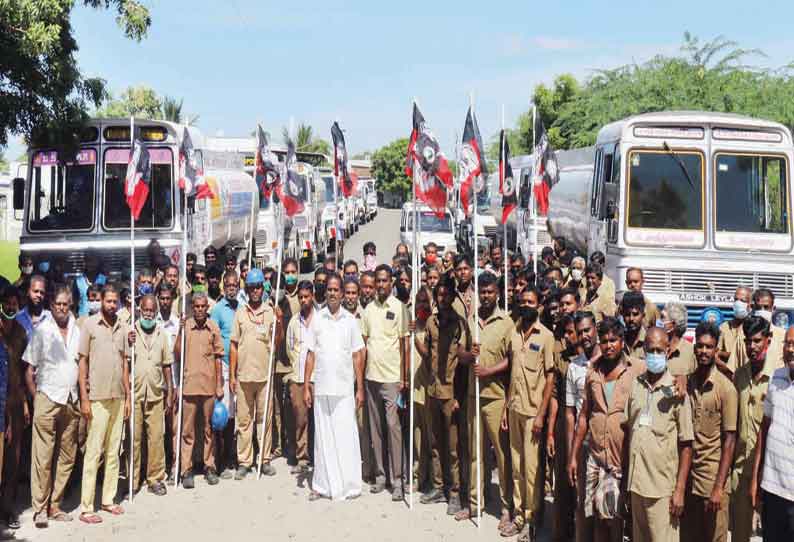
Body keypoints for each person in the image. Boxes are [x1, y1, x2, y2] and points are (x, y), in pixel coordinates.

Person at [568, 317, 644, 542]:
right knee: (598, 518)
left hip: (622, 459)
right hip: (596, 458)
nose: (609, 345)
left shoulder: (637, 370)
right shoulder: (593, 373)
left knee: (618, 520)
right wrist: (573, 456)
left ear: (622, 341)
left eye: (614, 340)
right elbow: (583, 416)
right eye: (605, 340)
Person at [455, 272, 513, 530]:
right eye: (484, 292)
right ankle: (475, 502)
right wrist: (469, 355)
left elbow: (513, 359)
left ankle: (506, 507)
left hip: (496, 397)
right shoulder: (470, 319)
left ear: (498, 293)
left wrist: (490, 371)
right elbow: (459, 352)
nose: (487, 296)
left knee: (501, 456)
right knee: (475, 452)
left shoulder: (506, 322)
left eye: (491, 292)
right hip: (473, 394)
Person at [625, 326, 694, 542]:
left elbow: (686, 445)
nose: (655, 355)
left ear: (667, 351)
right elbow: (629, 430)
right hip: (636, 486)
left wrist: (680, 490)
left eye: (659, 350)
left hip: (662, 490)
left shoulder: (676, 391)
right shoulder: (636, 385)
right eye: (650, 350)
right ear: (643, 350)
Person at [303, 273, 366, 501]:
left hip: (344, 389)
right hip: (322, 388)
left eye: (336, 290)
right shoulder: (317, 319)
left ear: (342, 293)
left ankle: (349, 485)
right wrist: (306, 386)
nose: (332, 293)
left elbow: (358, 355)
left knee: (345, 436)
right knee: (323, 439)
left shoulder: (350, 321)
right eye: (329, 289)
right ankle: (321, 485)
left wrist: (359, 388)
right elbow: (310, 354)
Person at [501, 286, 555, 541]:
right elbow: (510, 373)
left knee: (532, 469)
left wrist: (542, 415)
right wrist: (505, 408)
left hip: (534, 412)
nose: (526, 305)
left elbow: (550, 378)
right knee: (516, 466)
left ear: (539, 304)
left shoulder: (546, 337)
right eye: (523, 301)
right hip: (514, 408)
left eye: (531, 301)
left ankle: (532, 519)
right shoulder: (514, 332)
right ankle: (519, 513)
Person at [24, 285, 81, 528]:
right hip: (47, 397)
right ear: (51, 305)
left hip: (71, 399)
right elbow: (28, 369)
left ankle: (55, 505)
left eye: (65, 304)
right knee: (43, 457)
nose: (61, 308)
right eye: (57, 304)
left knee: (67, 456)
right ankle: (40, 509)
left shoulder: (78, 330)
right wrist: (36, 398)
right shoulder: (42, 331)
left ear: (70, 306)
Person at [78, 284, 131, 524]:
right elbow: (82, 363)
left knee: (113, 452)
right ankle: (87, 506)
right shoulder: (89, 325)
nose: (111, 305)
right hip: (97, 398)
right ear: (101, 302)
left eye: (114, 302)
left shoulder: (122, 326)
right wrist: (85, 399)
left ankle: (108, 500)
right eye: (108, 301)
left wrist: (128, 397)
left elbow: (125, 364)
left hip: (118, 397)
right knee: (93, 453)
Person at [681, 322, 737, 542]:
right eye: (700, 346)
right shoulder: (688, 382)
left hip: (712, 480)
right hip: (689, 481)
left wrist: (718, 488)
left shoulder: (726, 389)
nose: (704, 351)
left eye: (709, 347)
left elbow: (729, 440)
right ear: (695, 347)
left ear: (716, 350)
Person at [416, 276, 469, 514]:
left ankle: (456, 492)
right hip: (432, 390)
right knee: (435, 442)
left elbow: (463, 361)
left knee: (453, 447)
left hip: (451, 394)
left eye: (447, 294)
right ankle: (439, 486)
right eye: (440, 295)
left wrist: (458, 395)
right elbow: (428, 354)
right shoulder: (431, 323)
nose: (443, 298)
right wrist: (415, 341)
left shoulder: (460, 325)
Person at [361, 264, 409, 500]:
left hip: (392, 379)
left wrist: (404, 377)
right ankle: (381, 477)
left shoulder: (399, 308)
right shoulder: (368, 310)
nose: (380, 285)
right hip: (371, 377)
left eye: (384, 281)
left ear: (391, 282)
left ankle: (398, 480)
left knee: (393, 428)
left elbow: (404, 344)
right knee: (376, 429)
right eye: (377, 281)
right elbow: (364, 343)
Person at [228, 268, 279, 479]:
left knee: (263, 419)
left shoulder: (270, 311)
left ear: (263, 288)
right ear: (247, 289)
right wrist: (232, 375)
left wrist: (280, 321)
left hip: (264, 376)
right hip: (243, 376)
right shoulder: (240, 312)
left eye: (259, 286)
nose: (256, 290)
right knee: (244, 420)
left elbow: (277, 341)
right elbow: (233, 345)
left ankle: (264, 459)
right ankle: (245, 461)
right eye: (252, 287)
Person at [729, 316, 774, 542]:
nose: (752, 347)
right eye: (748, 341)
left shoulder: (778, 378)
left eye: (757, 341)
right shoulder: (739, 375)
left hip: (769, 472)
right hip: (740, 469)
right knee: (739, 533)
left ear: (768, 340)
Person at [174, 293, 225, 488]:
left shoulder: (213, 327)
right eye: (196, 306)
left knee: (208, 430)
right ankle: (186, 469)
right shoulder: (186, 326)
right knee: (187, 431)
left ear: (207, 308)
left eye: (203, 306)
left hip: (209, 387)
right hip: (189, 387)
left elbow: (219, 357)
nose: (200, 309)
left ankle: (209, 466)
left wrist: (219, 384)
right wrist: (179, 331)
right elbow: (177, 353)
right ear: (192, 307)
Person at [750, 326, 794, 542]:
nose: (791, 349)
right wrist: (757, 479)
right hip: (773, 490)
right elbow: (764, 430)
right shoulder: (776, 378)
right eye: (788, 343)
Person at [131, 294, 172, 496]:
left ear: (156, 313)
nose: (148, 314)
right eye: (145, 310)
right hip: (135, 394)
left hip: (155, 393)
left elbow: (167, 365)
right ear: (139, 309)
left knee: (156, 438)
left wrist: (170, 390)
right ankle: (133, 479)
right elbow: (124, 362)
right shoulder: (130, 332)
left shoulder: (161, 334)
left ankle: (155, 478)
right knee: (134, 439)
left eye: (151, 311)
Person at [567, 311, 599, 542]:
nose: (585, 336)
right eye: (580, 332)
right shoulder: (574, 367)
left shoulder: (613, 359)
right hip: (584, 441)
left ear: (595, 328)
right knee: (582, 505)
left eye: (588, 330)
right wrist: (573, 454)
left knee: (607, 507)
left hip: (608, 443)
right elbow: (570, 413)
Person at [209, 271, 242, 480]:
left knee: (236, 416)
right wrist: (220, 376)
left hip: (241, 368)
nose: (232, 288)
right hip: (224, 367)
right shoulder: (218, 310)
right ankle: (220, 461)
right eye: (228, 285)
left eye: (235, 285)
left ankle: (233, 456)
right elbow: (214, 341)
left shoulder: (242, 308)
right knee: (222, 415)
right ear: (223, 286)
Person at [286, 281, 316, 474]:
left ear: (312, 296)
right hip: (298, 377)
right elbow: (290, 349)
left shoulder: (321, 319)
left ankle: (318, 455)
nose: (303, 300)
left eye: (306, 296)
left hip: (317, 377)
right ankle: (302, 457)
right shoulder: (293, 322)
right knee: (301, 419)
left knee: (319, 419)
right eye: (300, 297)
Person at [717, 286, 751, 376]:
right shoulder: (724, 327)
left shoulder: (754, 328)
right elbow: (715, 354)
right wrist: (728, 371)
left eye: (742, 301)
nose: (738, 303)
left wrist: (724, 354)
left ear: (750, 304)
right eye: (736, 299)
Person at [750, 288, 785, 368]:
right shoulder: (743, 335)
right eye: (758, 308)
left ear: (773, 309)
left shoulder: (783, 336)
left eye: (766, 307)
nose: (762, 311)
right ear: (752, 308)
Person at [660, 302, 696, 376]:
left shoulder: (691, 352)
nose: (659, 321)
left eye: (662, 317)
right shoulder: (654, 346)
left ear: (673, 324)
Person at [16, 275, 50, 340]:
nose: (39, 295)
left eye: (42, 292)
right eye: (35, 291)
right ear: (28, 292)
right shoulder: (18, 319)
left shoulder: (50, 318)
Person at [621, 291, 647, 359]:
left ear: (643, 315)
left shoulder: (649, 341)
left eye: (635, 314)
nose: (631, 319)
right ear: (622, 315)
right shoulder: (619, 340)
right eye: (627, 314)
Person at [452, 254, 475, 320]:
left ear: (471, 270)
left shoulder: (479, 293)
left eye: (466, 268)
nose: (463, 272)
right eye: (459, 269)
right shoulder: (451, 295)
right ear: (455, 273)